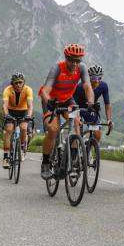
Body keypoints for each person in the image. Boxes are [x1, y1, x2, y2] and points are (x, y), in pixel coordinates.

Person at [39, 44, 96, 179]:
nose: (75, 63)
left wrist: (91, 103)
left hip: (67, 99)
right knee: (53, 129)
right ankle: (46, 162)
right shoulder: (57, 68)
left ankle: (73, 159)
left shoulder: (82, 68)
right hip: (51, 100)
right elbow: (45, 91)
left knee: (77, 123)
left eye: (78, 60)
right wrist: (49, 102)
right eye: (72, 60)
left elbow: (88, 87)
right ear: (66, 58)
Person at [73, 64, 113, 141]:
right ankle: (74, 150)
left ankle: (89, 149)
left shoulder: (103, 86)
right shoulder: (80, 86)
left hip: (89, 110)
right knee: (76, 133)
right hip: (78, 109)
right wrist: (77, 118)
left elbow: (107, 104)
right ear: (89, 77)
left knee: (97, 134)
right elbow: (74, 103)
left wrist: (108, 120)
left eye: (99, 78)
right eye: (94, 77)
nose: (97, 80)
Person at [1, 72, 33, 168]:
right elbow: (5, 105)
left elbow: (30, 105)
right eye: (16, 83)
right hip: (10, 111)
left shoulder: (28, 90)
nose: (18, 84)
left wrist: (29, 115)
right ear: (12, 83)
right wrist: (6, 115)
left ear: (23, 82)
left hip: (23, 111)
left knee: (23, 128)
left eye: (20, 82)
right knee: (9, 129)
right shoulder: (7, 90)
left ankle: (22, 148)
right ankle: (6, 157)